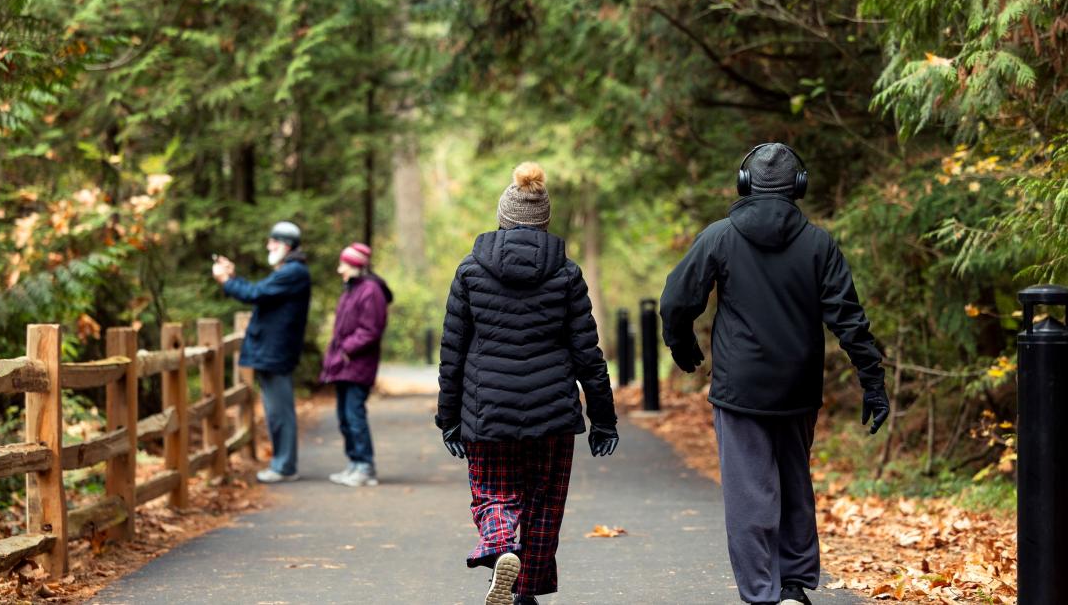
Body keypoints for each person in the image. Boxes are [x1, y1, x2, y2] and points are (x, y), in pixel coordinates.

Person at [659, 143, 890, 605]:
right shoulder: (819, 243)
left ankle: (762, 594)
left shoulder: (720, 237)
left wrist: (681, 342)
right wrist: (873, 381)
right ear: (797, 188)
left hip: (739, 388)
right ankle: (794, 587)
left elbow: (676, 300)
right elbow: (848, 319)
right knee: (794, 483)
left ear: (745, 185)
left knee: (749, 492)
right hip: (798, 388)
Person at [436, 162, 619, 605]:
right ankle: (525, 592)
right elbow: (586, 353)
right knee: (544, 505)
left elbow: (453, 350)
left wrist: (447, 417)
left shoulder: (470, 270)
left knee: (494, 493)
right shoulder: (567, 273)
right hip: (552, 414)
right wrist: (604, 419)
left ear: (502, 217)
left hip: (487, 411)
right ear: (545, 220)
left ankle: (500, 545)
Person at [213, 221, 312, 484]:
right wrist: (233, 278)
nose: (268, 246)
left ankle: (285, 466)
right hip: (272, 351)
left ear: (286, 245)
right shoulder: (289, 271)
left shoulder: (293, 272)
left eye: (273, 241)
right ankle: (282, 463)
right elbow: (261, 293)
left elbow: (255, 294)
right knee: (275, 411)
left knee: (280, 412)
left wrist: (225, 281)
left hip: (275, 352)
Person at [319, 242, 392, 488]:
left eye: (344, 264)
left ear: (356, 265)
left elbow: (370, 330)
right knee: (344, 416)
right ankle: (354, 462)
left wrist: (347, 351)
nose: (340, 269)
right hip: (343, 364)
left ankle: (365, 466)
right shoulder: (352, 289)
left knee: (354, 415)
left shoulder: (370, 290)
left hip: (357, 364)